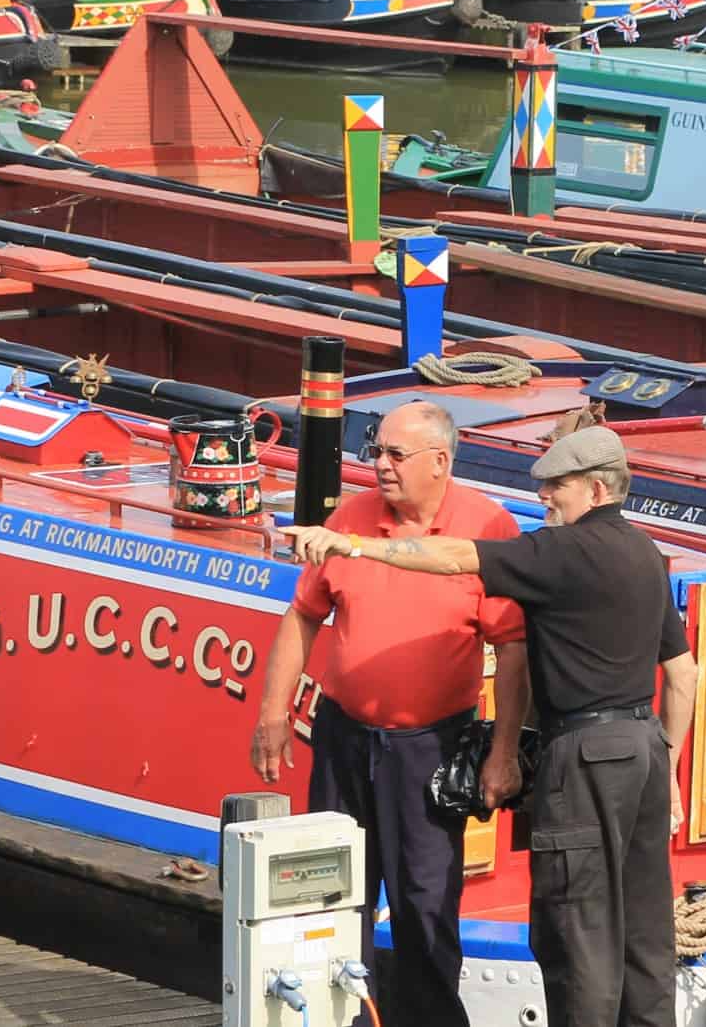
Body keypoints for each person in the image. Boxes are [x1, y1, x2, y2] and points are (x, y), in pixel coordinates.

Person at [289, 423, 695, 1027]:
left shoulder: (561, 552)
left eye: (557, 486)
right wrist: (668, 764)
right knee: (644, 933)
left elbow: (454, 555)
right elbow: (683, 674)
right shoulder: (646, 554)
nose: (545, 499)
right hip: (643, 749)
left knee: (576, 929)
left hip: (582, 755)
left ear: (595, 488)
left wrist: (353, 546)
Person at [253, 401, 527, 1027]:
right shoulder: (350, 518)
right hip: (345, 740)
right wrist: (274, 712)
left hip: (430, 749)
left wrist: (503, 750)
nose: (380, 465)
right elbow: (303, 614)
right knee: (331, 899)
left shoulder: (488, 529)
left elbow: (514, 651)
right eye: (376, 451)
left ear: (441, 461)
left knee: (424, 904)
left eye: (395, 455)